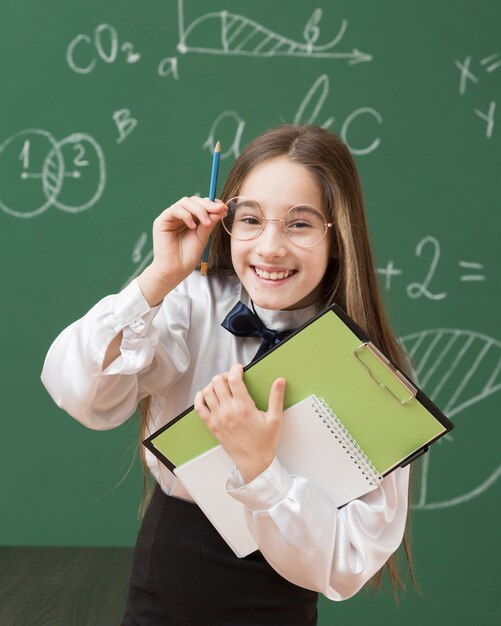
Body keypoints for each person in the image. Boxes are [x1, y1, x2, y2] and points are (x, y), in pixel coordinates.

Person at [41, 125, 413, 626]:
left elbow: (346, 563)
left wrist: (260, 467)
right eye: (251, 219)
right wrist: (157, 279)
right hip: (171, 577)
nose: (271, 247)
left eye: (299, 224)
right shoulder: (191, 302)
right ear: (227, 221)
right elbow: (81, 394)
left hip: (284, 594)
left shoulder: (367, 371)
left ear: (338, 235)